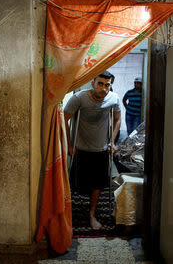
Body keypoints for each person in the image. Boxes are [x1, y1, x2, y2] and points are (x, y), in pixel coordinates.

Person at [64, 71, 121, 230]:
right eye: (100, 84)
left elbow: (117, 119)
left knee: (97, 184)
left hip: (101, 149)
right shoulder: (79, 98)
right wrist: (69, 144)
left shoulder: (113, 98)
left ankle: (91, 214)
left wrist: (112, 141)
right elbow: (64, 119)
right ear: (93, 83)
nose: (103, 88)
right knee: (77, 184)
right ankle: (70, 211)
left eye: (107, 85)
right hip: (81, 148)